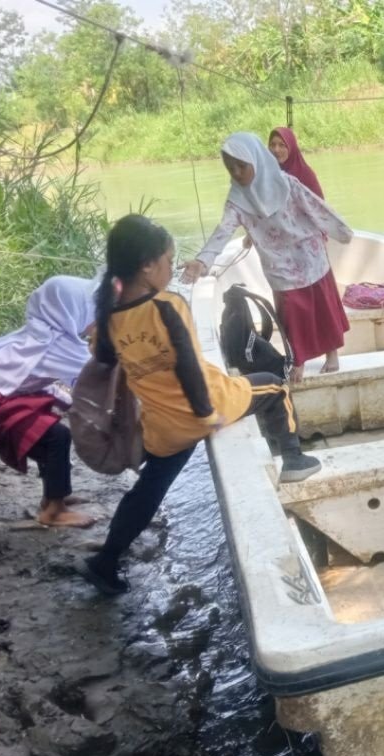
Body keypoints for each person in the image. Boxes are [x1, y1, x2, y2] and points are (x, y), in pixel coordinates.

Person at [76, 215, 321, 596]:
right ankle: (293, 460)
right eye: (168, 261)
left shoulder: (108, 319)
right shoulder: (167, 305)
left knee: (148, 489)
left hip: (162, 430)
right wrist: (207, 414)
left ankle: (106, 561)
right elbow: (189, 366)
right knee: (274, 387)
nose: (171, 268)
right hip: (203, 407)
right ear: (147, 266)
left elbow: (106, 360)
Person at [180, 132, 353, 383]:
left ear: (257, 160)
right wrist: (202, 261)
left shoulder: (287, 183)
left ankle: (332, 353)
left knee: (321, 307)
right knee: (291, 312)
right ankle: (298, 359)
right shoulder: (236, 200)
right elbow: (223, 230)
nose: (237, 173)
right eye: (230, 168)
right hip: (278, 262)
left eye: (241, 166)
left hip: (309, 253)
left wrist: (342, 232)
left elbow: (315, 207)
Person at [0, 276, 98, 528]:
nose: (95, 316)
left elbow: (32, 375)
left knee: (48, 436)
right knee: (55, 436)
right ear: (71, 311)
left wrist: (66, 400)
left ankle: (53, 497)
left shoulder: (40, 331)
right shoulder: (61, 346)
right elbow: (94, 379)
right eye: (90, 309)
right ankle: (53, 511)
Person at [268, 126, 324, 199]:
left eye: (282, 145)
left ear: (291, 147)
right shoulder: (266, 173)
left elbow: (318, 203)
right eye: (272, 145)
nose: (276, 150)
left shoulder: (306, 175)